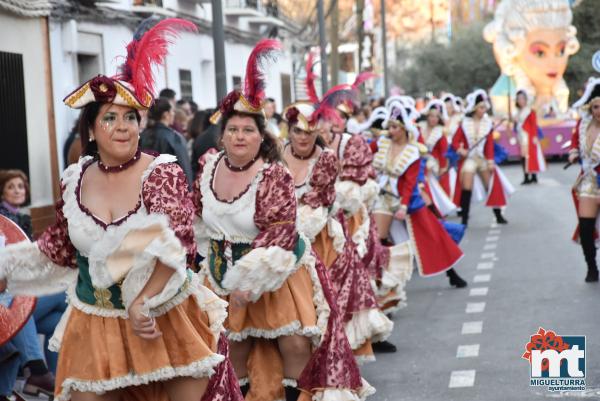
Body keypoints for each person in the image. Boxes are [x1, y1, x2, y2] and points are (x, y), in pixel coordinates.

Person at [0, 18, 242, 401]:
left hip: (163, 317)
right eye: (109, 117)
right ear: (92, 130)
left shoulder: (160, 173)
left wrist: (143, 300)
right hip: (95, 324)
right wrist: (6, 271)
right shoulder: (74, 179)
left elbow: (175, 243)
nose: (122, 126)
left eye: (130, 116)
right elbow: (59, 249)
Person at [195, 39, 372, 401]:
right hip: (220, 273)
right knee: (234, 351)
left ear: (262, 137)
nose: (239, 136)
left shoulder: (272, 175)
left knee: (293, 343)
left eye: (248, 130)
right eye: (233, 129)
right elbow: (196, 223)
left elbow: (279, 233)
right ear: (222, 134)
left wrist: (247, 279)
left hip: (276, 270)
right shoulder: (208, 167)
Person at [371, 104, 467, 288]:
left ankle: (452, 274)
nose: (390, 131)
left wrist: (404, 205)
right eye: (389, 126)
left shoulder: (414, 151)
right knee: (378, 240)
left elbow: (410, 182)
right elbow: (362, 155)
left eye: (394, 127)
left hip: (406, 201)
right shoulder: (382, 142)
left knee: (431, 235)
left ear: (404, 128)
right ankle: (382, 285)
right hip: (382, 198)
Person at [451, 89, 514, 227]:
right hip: (469, 159)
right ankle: (465, 219)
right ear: (474, 108)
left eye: (484, 107)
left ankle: (498, 215)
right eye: (481, 107)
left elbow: (489, 144)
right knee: (466, 187)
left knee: (490, 186)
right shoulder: (464, 123)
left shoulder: (488, 123)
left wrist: (491, 161)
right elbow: (455, 142)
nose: (483, 110)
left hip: (483, 159)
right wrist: (461, 150)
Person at [569, 77, 600, 283]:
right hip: (589, 181)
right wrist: (573, 153)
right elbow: (575, 144)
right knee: (586, 227)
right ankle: (591, 267)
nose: (599, 110)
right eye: (596, 106)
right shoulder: (583, 125)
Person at [140, 97, 194, 187]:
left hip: (147, 188)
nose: (173, 114)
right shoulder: (174, 137)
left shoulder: (142, 136)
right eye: (172, 111)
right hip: (171, 190)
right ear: (166, 114)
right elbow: (185, 168)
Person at [514, 89, 546, 184]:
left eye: (522, 98)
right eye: (518, 98)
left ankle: (533, 176)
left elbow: (533, 125)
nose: (520, 100)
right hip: (521, 136)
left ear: (525, 99)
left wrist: (535, 136)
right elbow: (517, 125)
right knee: (523, 157)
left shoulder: (530, 111)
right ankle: (526, 176)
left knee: (530, 157)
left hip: (529, 137)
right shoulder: (518, 112)